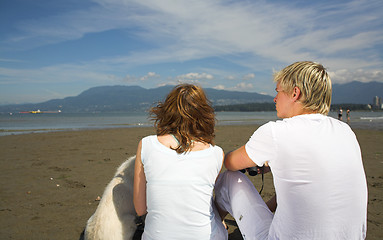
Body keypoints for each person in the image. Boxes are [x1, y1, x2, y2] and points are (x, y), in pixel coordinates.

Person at [215, 61, 368, 239]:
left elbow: (230, 162)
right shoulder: (345, 131)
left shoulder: (276, 132)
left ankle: (213, 230)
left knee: (229, 178)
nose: (275, 99)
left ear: (295, 93)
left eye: (277, 92)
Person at [133, 84, 228, 240]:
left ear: (166, 111)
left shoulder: (147, 145)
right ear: (204, 114)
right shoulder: (216, 153)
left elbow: (140, 209)